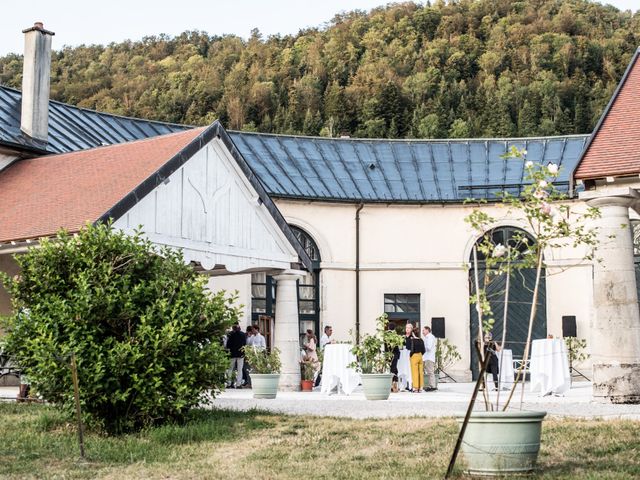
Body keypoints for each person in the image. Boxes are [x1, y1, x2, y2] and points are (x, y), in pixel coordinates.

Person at [406, 324, 426, 393]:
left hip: (414, 356)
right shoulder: (421, 340)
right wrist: (420, 354)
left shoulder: (413, 340)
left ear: (413, 333)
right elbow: (424, 350)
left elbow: (412, 349)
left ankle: (415, 388)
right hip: (420, 356)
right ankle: (421, 387)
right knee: (420, 372)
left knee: (414, 372)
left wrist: (411, 355)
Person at [226, 324, 246, 388]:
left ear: (233, 327)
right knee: (240, 369)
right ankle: (238, 384)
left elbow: (228, 345)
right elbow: (244, 344)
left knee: (230, 369)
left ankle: (229, 384)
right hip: (240, 354)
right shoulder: (243, 334)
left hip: (232, 354)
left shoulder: (230, 334)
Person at [422, 325, 437, 392]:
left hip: (429, 357)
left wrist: (422, 347)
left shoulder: (430, 337)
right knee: (429, 372)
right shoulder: (427, 337)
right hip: (427, 357)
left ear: (427, 330)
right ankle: (430, 385)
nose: (422, 331)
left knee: (430, 372)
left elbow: (429, 347)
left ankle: (433, 386)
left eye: (424, 330)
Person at [388, 322, 400, 393]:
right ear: (394, 328)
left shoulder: (385, 335)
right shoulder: (395, 335)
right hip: (394, 354)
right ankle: (394, 386)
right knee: (394, 370)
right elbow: (397, 347)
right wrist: (398, 355)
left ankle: (390, 386)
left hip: (388, 355)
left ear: (388, 327)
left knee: (390, 370)